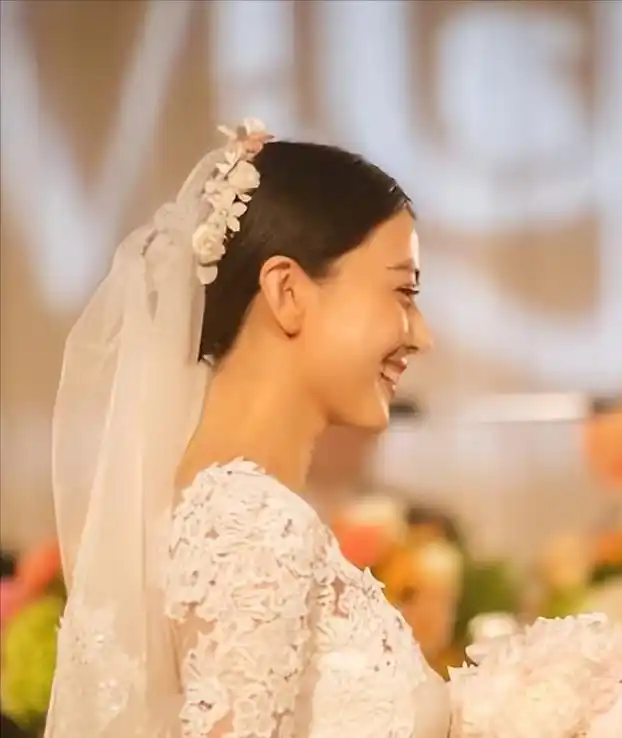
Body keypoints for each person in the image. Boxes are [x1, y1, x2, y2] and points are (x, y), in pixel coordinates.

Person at [46, 121, 443, 737]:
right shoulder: (254, 526)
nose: (422, 335)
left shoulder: (218, 509)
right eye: (403, 291)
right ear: (287, 291)